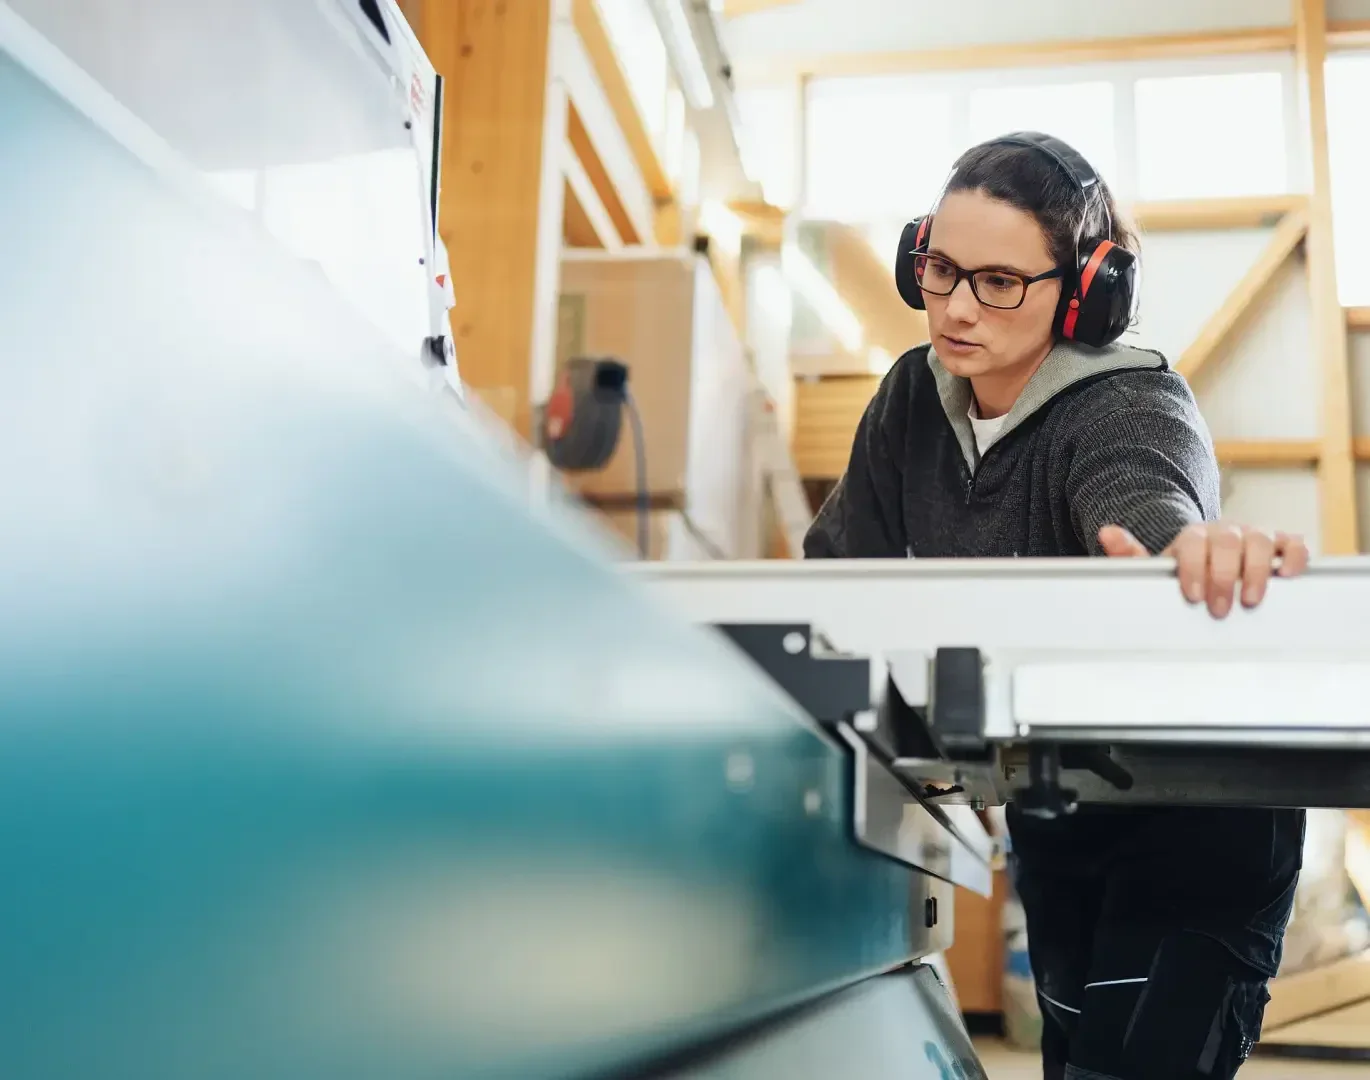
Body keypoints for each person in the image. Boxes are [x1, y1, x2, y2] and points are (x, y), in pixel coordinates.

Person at [804, 132, 1309, 1080]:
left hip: (1197, 812)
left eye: (1000, 281)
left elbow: (1151, 511)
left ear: (1086, 292)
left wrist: (1191, 553)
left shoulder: (1128, 406)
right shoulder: (913, 397)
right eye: (940, 268)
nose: (957, 306)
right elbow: (837, 578)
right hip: (1059, 798)